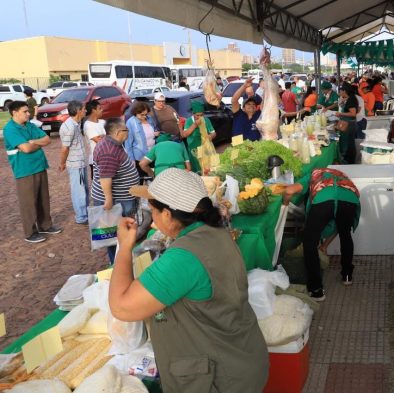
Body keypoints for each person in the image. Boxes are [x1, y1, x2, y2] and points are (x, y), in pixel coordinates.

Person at [111, 168, 269, 392]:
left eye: (152, 210)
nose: (151, 217)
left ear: (167, 215)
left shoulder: (184, 256)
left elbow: (122, 307)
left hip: (220, 378)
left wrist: (125, 248)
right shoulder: (215, 232)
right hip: (241, 357)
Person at [283, 168, 361, 300]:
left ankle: (316, 290)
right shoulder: (340, 175)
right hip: (349, 199)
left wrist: (284, 205)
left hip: (324, 200)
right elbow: (337, 224)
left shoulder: (311, 175)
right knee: (345, 234)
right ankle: (347, 276)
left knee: (309, 242)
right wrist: (325, 245)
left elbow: (289, 190)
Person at [4, 101, 61, 243]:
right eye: (25, 111)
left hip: (39, 165)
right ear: (14, 113)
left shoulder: (29, 125)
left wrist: (32, 142)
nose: (28, 114)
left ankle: (45, 225)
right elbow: (26, 148)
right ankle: (30, 232)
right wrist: (36, 143)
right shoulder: (10, 129)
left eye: (28, 111)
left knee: (43, 198)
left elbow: (47, 139)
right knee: (28, 202)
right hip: (24, 170)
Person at [92, 118, 141, 263]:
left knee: (118, 233)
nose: (128, 132)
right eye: (126, 130)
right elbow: (105, 177)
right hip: (116, 200)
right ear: (119, 132)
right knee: (114, 235)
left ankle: (120, 260)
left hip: (121, 197)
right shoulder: (109, 150)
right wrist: (108, 199)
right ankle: (117, 263)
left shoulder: (114, 144)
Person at [58, 100, 89, 224]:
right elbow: (64, 148)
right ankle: (81, 217)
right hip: (75, 165)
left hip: (80, 163)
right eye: (83, 109)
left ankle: (84, 214)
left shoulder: (76, 123)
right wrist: (62, 163)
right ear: (78, 111)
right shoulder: (70, 127)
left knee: (84, 189)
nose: (85, 111)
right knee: (79, 191)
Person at [125, 101, 159, 179]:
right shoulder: (130, 123)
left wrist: (156, 133)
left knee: (153, 177)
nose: (144, 116)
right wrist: (131, 159)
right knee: (143, 179)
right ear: (135, 113)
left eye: (146, 114)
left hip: (153, 153)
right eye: (141, 115)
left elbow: (154, 129)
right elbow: (128, 143)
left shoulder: (149, 119)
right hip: (140, 156)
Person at [182, 101, 216, 173]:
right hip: (193, 149)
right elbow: (185, 134)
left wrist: (210, 136)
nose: (200, 117)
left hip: (205, 148)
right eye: (197, 115)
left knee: (206, 168)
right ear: (193, 113)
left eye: (201, 115)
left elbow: (213, 133)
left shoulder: (206, 120)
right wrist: (195, 125)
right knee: (196, 168)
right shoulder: (188, 121)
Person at [335, 83, 359, 164]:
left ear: (344, 91)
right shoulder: (350, 98)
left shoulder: (351, 99)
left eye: (341, 91)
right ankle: (350, 160)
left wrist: (341, 114)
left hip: (349, 125)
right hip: (349, 124)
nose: (340, 93)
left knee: (348, 144)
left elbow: (353, 113)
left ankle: (348, 161)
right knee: (349, 143)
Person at [84, 100, 106, 178]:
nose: (102, 110)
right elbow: (98, 140)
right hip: (96, 160)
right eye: (99, 108)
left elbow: (112, 135)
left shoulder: (103, 122)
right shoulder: (88, 125)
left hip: (107, 158)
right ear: (93, 110)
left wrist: (103, 136)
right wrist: (106, 136)